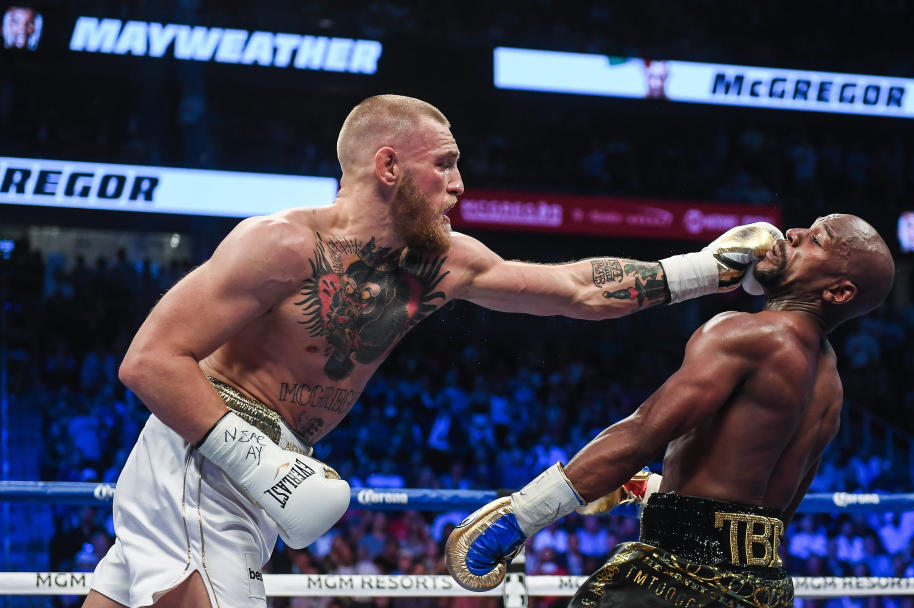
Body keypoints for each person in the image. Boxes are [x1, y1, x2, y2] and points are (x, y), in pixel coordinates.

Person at [84, 94, 780, 608]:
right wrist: (263, 463)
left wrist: (711, 268)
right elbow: (149, 361)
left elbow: (577, 292)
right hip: (206, 455)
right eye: (444, 164)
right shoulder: (283, 244)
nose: (459, 184)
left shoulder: (442, 264)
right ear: (388, 165)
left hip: (263, 466)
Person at [446, 214, 895, 608]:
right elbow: (759, 515)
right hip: (765, 591)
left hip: (678, 581)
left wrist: (521, 516)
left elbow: (645, 430)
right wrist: (651, 488)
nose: (793, 232)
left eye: (816, 240)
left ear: (839, 291)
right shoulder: (831, 384)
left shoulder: (746, 333)